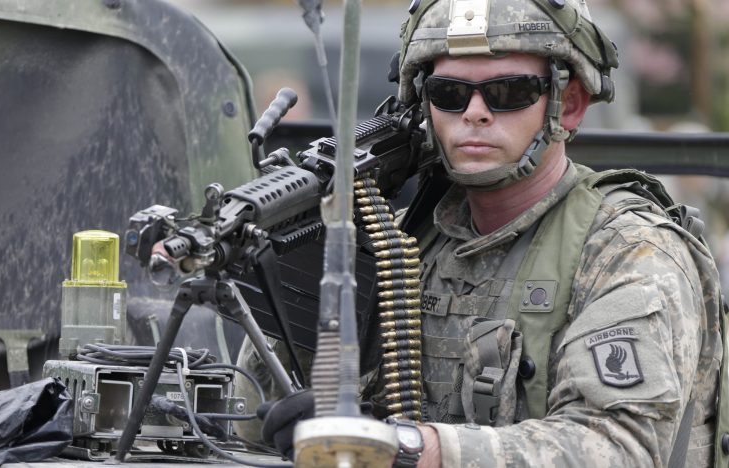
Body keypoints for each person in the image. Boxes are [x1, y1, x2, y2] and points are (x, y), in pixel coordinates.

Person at [243, 0, 725, 467]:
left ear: (570, 105)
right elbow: (248, 415)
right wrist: (310, 249)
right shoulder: (401, 242)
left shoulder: (630, 251)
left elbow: (618, 448)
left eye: (509, 92)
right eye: (449, 93)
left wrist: (407, 446)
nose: (474, 112)